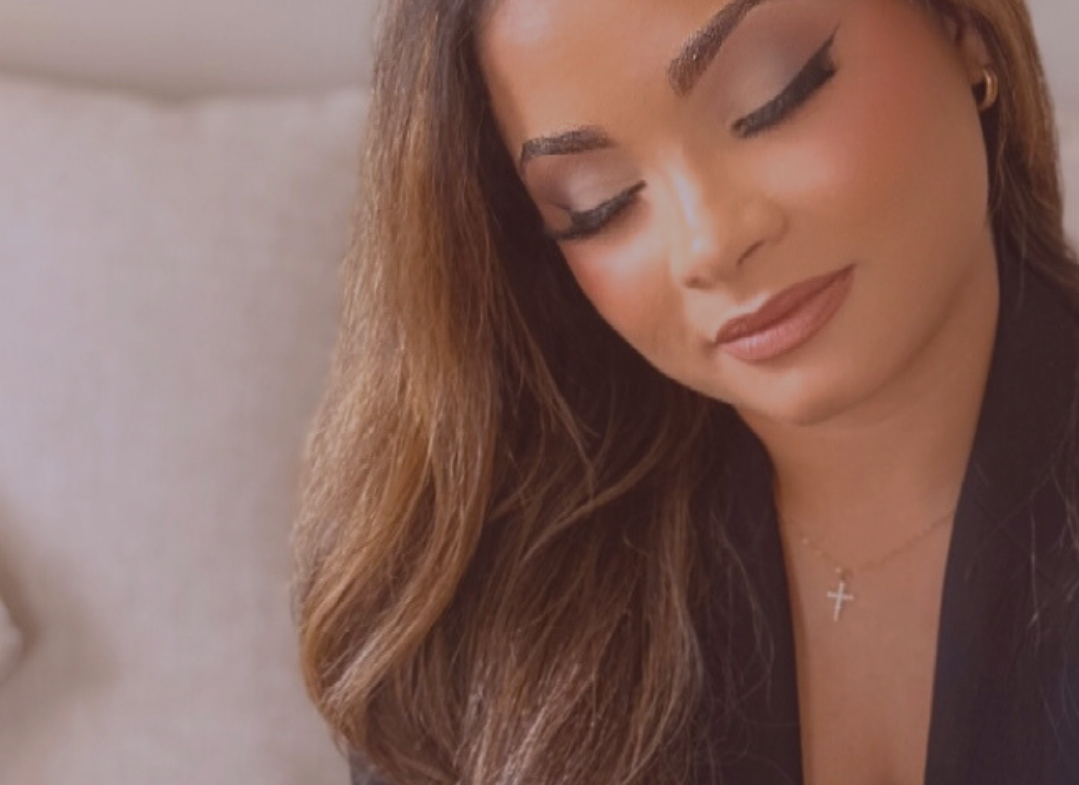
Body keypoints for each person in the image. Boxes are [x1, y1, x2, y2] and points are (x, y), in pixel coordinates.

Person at [292, 0, 1079, 782]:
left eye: (776, 96)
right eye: (598, 203)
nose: (708, 243)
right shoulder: (479, 614)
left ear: (961, 26)